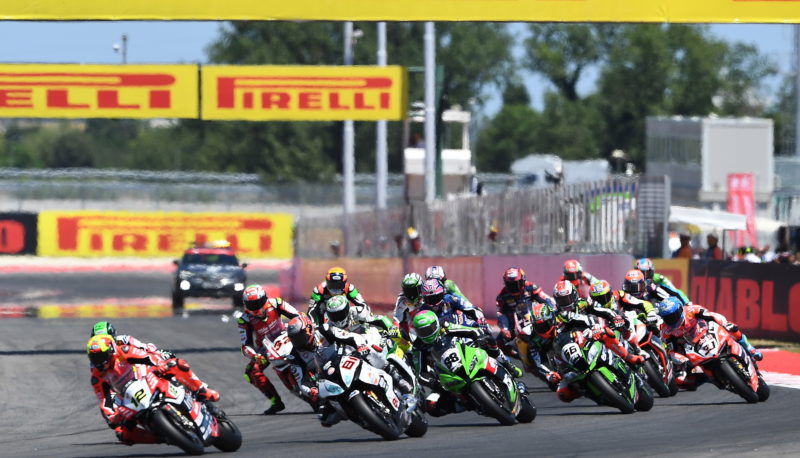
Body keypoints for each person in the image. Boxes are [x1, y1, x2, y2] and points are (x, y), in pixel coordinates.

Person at [87, 334, 219, 446]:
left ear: (111, 350)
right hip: (130, 400)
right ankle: (162, 437)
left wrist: (160, 364)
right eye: (95, 358)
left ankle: (201, 389)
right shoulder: (97, 376)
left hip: (147, 378)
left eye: (101, 356)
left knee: (176, 364)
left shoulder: (124, 350)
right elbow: (105, 400)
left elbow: (147, 357)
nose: (99, 361)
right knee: (123, 434)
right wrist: (112, 416)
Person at [410, 310, 519, 416]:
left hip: (464, 351)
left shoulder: (445, 326)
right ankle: (469, 404)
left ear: (436, 324)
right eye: (422, 332)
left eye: (430, 329)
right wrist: (433, 383)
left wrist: (480, 337)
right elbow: (420, 373)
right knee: (431, 407)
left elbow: (471, 331)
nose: (427, 333)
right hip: (446, 373)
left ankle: (507, 364)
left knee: (489, 341)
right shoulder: (418, 346)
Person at [551, 284, 644, 403]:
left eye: (567, 299)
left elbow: (602, 311)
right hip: (574, 347)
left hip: (593, 333)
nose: (565, 303)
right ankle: (593, 393)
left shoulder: (584, 303)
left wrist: (615, 317)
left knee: (610, 333)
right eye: (561, 301)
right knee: (563, 393)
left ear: (574, 295)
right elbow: (555, 343)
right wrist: (556, 371)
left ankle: (628, 357)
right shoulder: (556, 316)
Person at [419, 278, 523, 378]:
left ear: (442, 294)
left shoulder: (450, 299)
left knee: (488, 339)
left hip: (464, 328)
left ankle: (507, 364)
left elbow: (471, 308)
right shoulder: (423, 311)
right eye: (429, 299)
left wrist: (481, 321)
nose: (433, 303)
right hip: (445, 339)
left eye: (436, 298)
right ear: (424, 299)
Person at [657, 297, 762, 390]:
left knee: (732, 328)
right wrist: (679, 358)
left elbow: (712, 315)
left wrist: (725, 324)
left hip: (707, 332)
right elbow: (670, 349)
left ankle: (750, 348)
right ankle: (708, 378)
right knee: (680, 380)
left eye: (674, 315)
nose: (672, 319)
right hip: (691, 348)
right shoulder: (665, 330)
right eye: (668, 318)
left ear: (680, 309)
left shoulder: (691, 310)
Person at [236, 284, 300, 415]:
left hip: (287, 337)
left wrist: (302, 329)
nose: (256, 308)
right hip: (266, 349)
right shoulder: (244, 319)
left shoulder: (277, 303)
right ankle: (276, 402)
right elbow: (245, 345)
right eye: (251, 305)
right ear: (245, 305)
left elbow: (297, 316)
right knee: (251, 372)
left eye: (258, 303)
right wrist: (255, 356)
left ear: (265, 299)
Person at [495, 267, 556, 357]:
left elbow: (546, 300)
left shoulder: (531, 287)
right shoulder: (502, 296)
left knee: (553, 325)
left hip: (534, 318)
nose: (513, 287)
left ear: (523, 280)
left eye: (516, 284)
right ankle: (518, 357)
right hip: (513, 323)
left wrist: (554, 310)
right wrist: (505, 328)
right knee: (499, 342)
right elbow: (501, 313)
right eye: (510, 284)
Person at [393, 273, 425, 341]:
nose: (411, 294)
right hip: (413, 333)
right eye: (408, 291)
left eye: (413, 291)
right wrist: (394, 328)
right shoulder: (402, 299)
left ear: (420, 288)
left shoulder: (427, 295)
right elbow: (397, 318)